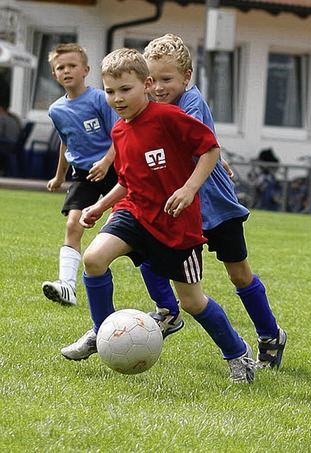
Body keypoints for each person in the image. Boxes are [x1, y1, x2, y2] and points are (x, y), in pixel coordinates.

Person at [61, 48, 256, 384]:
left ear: (147, 85)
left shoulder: (168, 118)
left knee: (193, 302)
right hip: (135, 212)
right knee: (93, 260)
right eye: (110, 91)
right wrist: (100, 206)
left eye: (126, 90)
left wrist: (189, 189)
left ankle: (238, 355)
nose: (117, 99)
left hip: (175, 223)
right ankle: (101, 331)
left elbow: (210, 149)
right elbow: (127, 180)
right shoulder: (120, 131)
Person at [142, 33, 286, 368]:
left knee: (239, 275)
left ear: (186, 77)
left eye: (168, 80)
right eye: (153, 81)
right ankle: (167, 311)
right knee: (145, 249)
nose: (159, 88)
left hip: (216, 207)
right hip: (180, 208)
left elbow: (186, 144)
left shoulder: (192, 103)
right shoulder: (152, 106)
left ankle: (270, 334)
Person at [41, 43, 119, 306]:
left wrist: (107, 162)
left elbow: (120, 135)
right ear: (54, 74)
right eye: (60, 67)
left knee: (129, 228)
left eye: (72, 65)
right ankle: (67, 286)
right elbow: (67, 141)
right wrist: (59, 176)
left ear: (85, 70)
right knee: (73, 225)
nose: (67, 71)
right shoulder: (56, 110)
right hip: (84, 174)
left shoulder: (100, 99)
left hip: (115, 169)